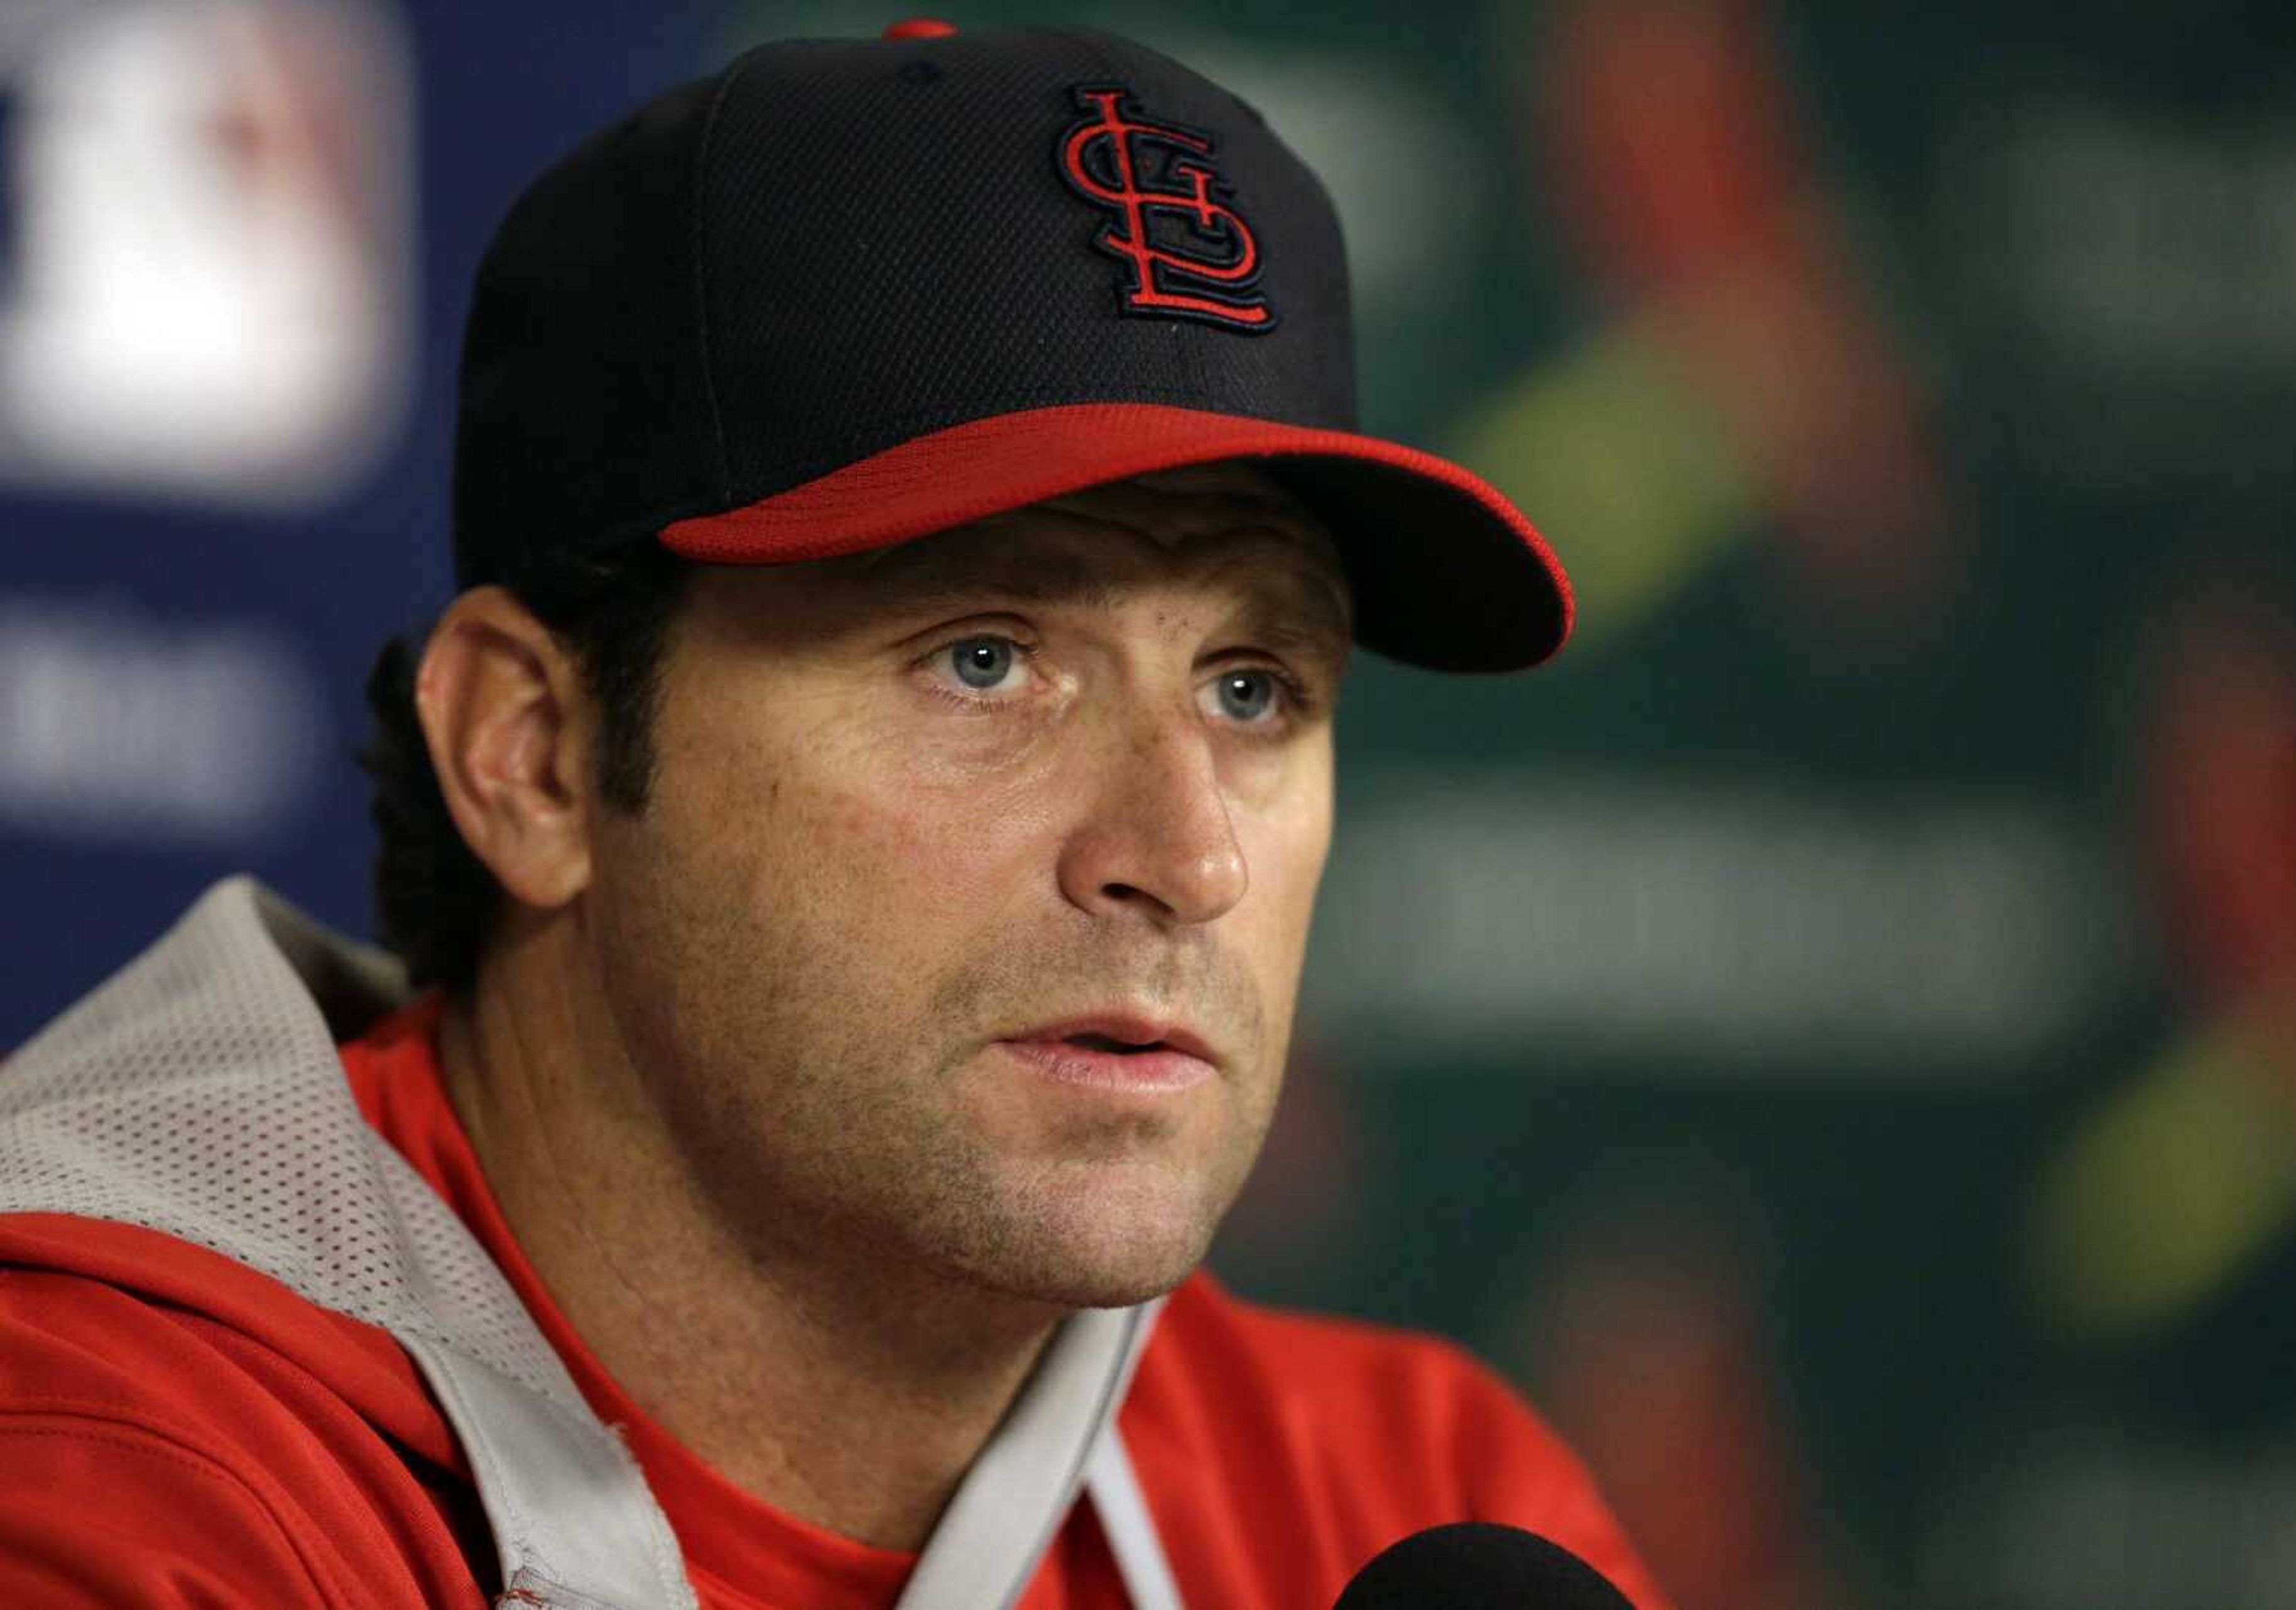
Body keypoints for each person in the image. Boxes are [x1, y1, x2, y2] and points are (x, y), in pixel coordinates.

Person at [0, 21, 1668, 1610]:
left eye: (1252, 686)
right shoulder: (108, 1474)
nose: (1187, 855)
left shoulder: (1394, 1504)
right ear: (536, 756)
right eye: (986, 657)